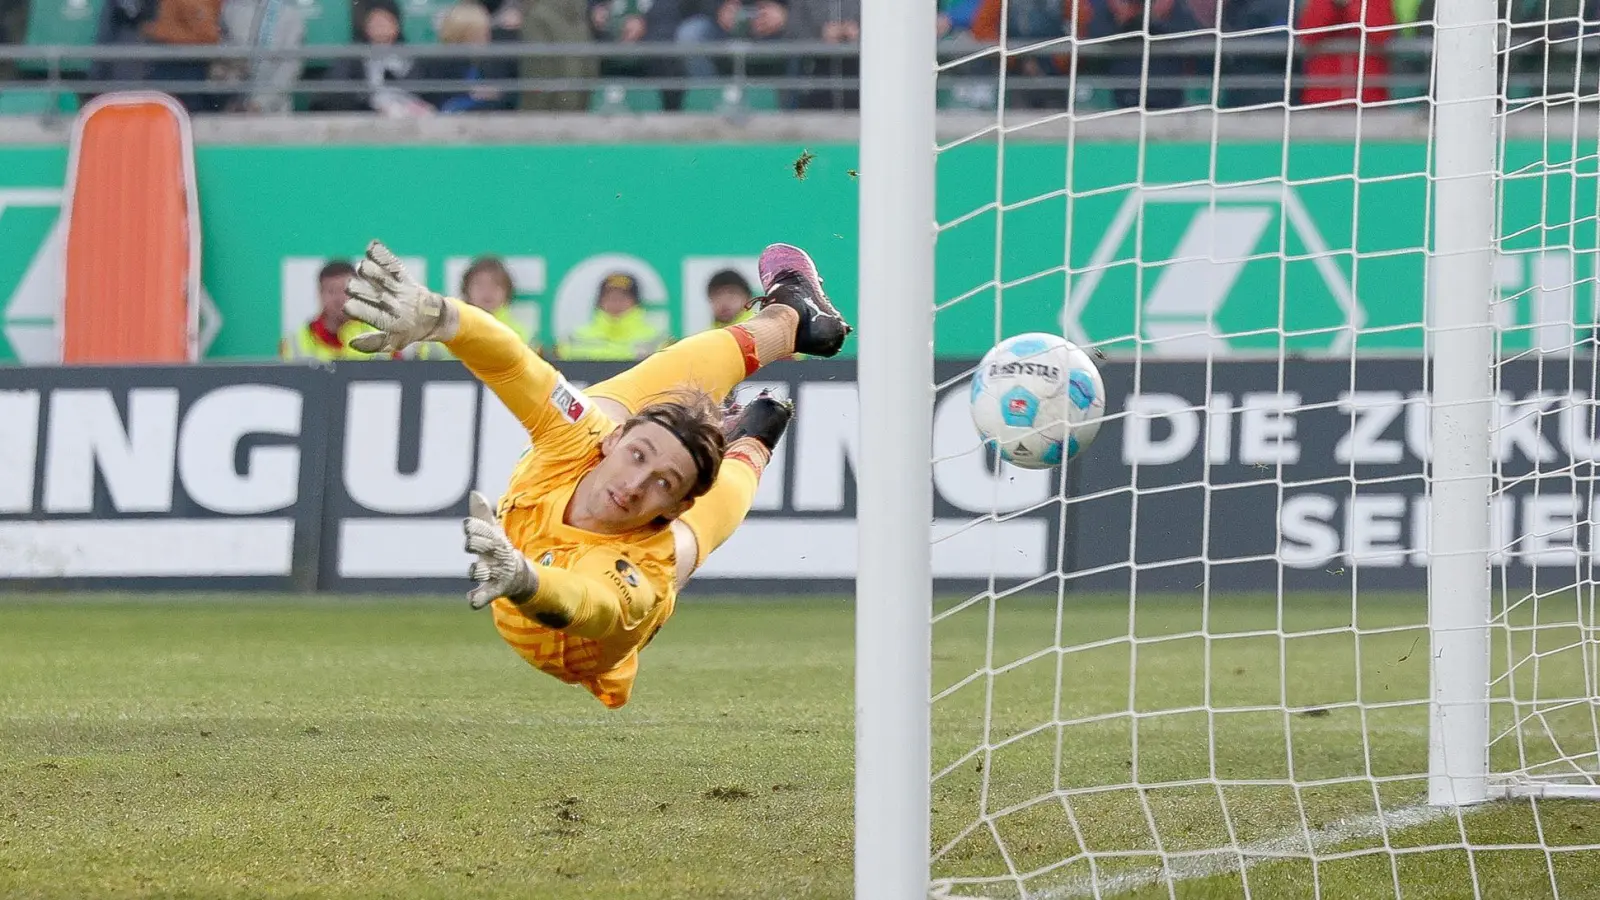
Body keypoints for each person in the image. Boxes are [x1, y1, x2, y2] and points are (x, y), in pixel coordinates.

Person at [340, 239, 850, 709]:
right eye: (635, 457)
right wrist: (443, 317)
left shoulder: (641, 567)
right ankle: (792, 323)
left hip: (573, 645)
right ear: (612, 442)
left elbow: (592, 605)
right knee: (603, 402)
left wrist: (526, 582)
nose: (634, 485)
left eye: (663, 485)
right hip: (581, 462)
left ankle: (751, 441)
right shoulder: (585, 434)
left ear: (673, 505)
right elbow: (514, 364)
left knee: (692, 541)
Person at [555, 272, 672, 360]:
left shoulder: (658, 340)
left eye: (623, 298)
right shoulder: (575, 338)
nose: (616, 302)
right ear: (599, 302)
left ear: (636, 303)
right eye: (610, 297)